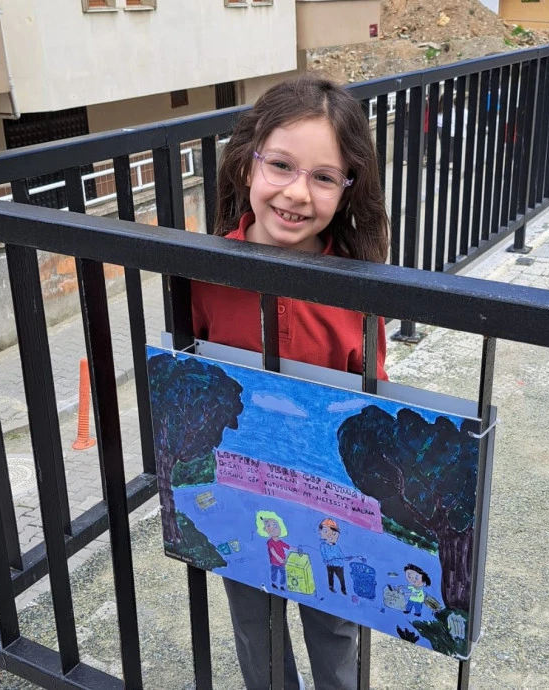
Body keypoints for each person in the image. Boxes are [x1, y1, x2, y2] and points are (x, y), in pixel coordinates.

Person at [191, 74, 390, 690]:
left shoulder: (359, 288)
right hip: (238, 494)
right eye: (280, 165)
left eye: (324, 177)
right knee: (256, 630)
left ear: (348, 189)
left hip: (328, 503)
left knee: (335, 630)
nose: (297, 193)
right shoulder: (201, 274)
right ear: (246, 163)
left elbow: (374, 404)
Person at [318, 518, 349, 595]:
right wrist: (328, 559)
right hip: (330, 565)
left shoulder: (336, 547)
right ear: (320, 532)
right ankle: (331, 587)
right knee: (330, 576)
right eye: (326, 531)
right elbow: (324, 555)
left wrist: (345, 558)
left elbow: (341, 556)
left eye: (334, 533)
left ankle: (343, 589)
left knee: (341, 578)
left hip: (339, 565)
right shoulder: (323, 546)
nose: (330, 535)